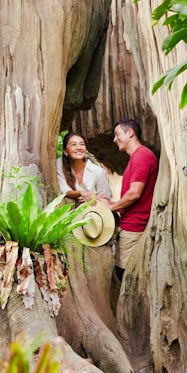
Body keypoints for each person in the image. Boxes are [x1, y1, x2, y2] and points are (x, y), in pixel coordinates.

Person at [109, 118, 158, 278]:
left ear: (130, 132)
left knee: (126, 274)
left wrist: (110, 207)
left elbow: (134, 193)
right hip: (131, 224)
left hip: (135, 226)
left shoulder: (142, 155)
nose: (115, 139)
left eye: (117, 134)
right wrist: (112, 203)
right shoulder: (137, 157)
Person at [57, 131, 112, 204]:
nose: (79, 148)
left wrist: (93, 198)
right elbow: (63, 189)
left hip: (93, 212)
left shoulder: (97, 171)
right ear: (65, 151)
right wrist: (81, 193)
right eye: (74, 144)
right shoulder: (58, 164)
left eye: (82, 144)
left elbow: (105, 197)